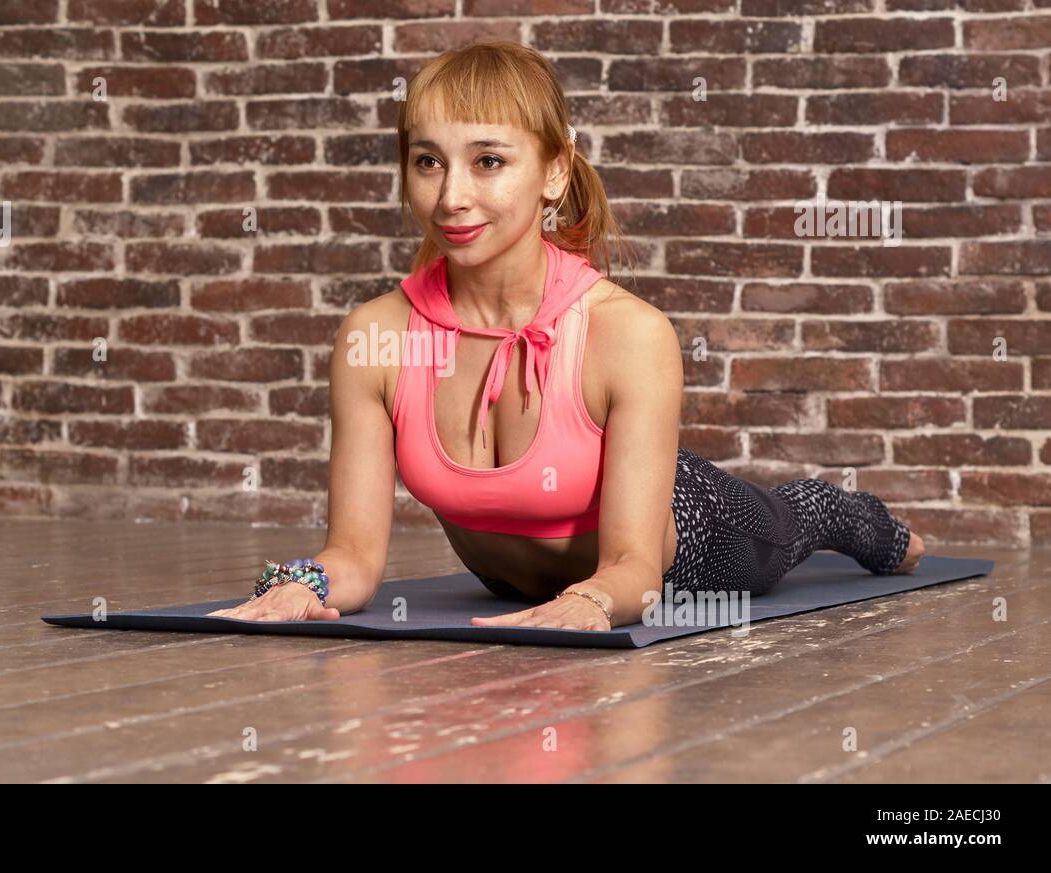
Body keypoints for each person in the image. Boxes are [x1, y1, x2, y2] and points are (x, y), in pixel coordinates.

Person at [209, 40, 924, 632]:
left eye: (488, 161)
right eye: (429, 161)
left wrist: (585, 601)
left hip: (690, 543)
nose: (451, 195)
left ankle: (862, 521)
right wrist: (302, 584)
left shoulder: (630, 333)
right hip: (504, 579)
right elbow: (355, 558)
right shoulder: (377, 337)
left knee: (796, 518)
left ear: (554, 171)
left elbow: (635, 572)